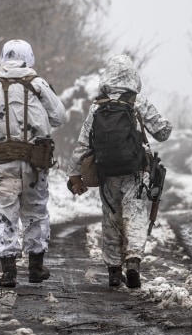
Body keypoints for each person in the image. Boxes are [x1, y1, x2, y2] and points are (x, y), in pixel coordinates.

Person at [66, 54, 172, 289]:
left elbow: (83, 144)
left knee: (111, 219)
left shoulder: (97, 106)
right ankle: (133, 262)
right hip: (135, 171)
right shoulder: (137, 102)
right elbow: (163, 132)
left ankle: (114, 271)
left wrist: (74, 174)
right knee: (134, 214)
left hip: (106, 172)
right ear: (132, 76)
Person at [0, 39, 66, 288]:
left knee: (4, 214)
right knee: (36, 213)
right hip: (36, 163)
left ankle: (8, 271)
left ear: (2, 57)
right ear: (29, 57)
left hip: (2, 163)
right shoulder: (39, 85)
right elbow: (59, 118)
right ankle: (36, 269)